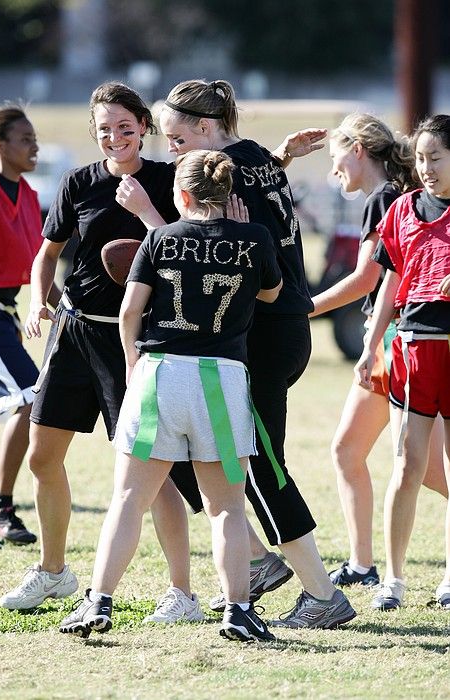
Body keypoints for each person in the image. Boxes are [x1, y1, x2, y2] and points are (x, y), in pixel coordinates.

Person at [116, 78, 356, 629]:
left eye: (177, 139)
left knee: (258, 469)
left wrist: (153, 223)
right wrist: (282, 155)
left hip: (264, 335)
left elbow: (212, 256)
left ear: (206, 129)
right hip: (277, 329)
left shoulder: (235, 174)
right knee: (219, 461)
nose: (171, 150)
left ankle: (322, 595)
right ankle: (257, 562)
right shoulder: (253, 161)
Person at [59, 148, 283, 641]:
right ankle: (239, 611)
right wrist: (244, 235)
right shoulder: (254, 237)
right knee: (226, 507)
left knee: (128, 499)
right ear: (228, 195)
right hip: (221, 379)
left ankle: (98, 602)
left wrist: (134, 364)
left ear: (180, 195)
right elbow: (270, 293)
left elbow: (129, 313)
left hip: (161, 373)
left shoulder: (159, 237)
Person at [0, 82, 199, 611]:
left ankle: (182, 591)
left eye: (125, 128)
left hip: (133, 340)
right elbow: (48, 253)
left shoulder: (168, 180)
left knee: (153, 473)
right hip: (74, 331)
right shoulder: (78, 182)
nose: (115, 138)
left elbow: (187, 248)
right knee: (43, 457)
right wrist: (42, 300)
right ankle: (54, 570)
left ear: (144, 128)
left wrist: (143, 212)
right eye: (105, 129)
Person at [309, 113, 448, 587]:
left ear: (358, 149)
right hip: (395, 340)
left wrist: (304, 308)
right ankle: (363, 564)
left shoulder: (388, 200)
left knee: (416, 467)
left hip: (400, 341)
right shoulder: (396, 195)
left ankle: (365, 566)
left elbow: (369, 279)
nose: (333, 171)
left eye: (335, 158)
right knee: (366, 455)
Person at [354, 114, 450, 610]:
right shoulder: (404, 209)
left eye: (436, 158)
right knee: (407, 465)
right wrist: (370, 346)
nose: (426, 168)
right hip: (413, 347)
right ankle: (391, 579)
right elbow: (388, 285)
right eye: (420, 158)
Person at [0, 105, 52, 548]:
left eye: (34, 138)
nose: (34, 146)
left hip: (3, 312)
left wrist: (61, 302)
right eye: (24, 138)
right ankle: (1, 505)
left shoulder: (27, 193)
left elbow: (38, 262)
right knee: (33, 395)